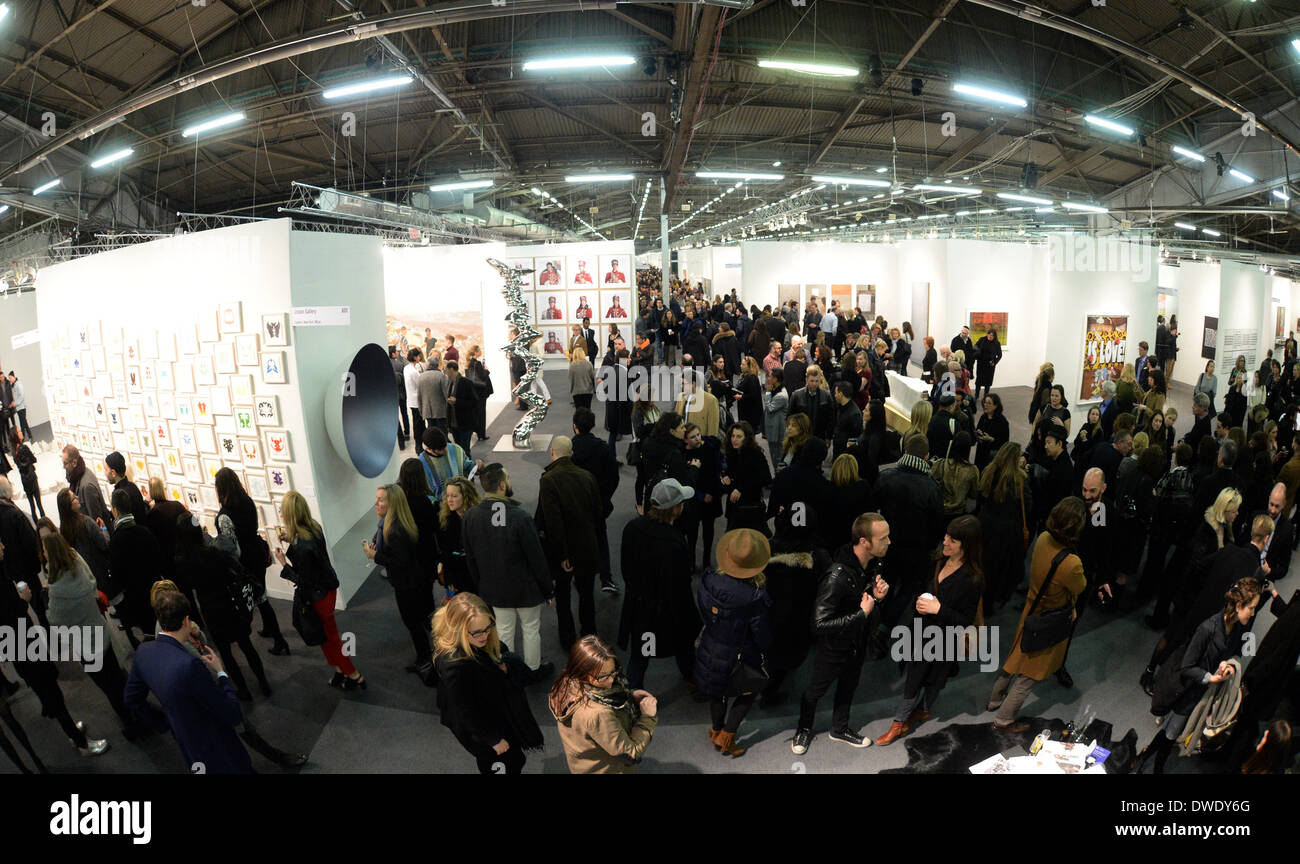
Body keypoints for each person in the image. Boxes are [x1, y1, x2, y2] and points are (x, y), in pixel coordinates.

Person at [1134, 578, 1260, 774]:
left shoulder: (1238, 627)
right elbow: (1186, 667)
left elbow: (1244, 651)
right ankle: (1155, 765)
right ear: (1238, 605)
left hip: (1201, 692)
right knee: (1172, 733)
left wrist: (1229, 665)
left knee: (1170, 731)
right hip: (1188, 691)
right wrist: (1211, 678)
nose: (1253, 613)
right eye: (1251, 608)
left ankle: (1146, 755)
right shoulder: (1207, 628)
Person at [877, 515, 983, 745]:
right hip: (921, 633)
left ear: (966, 545)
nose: (945, 541)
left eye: (952, 540)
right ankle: (900, 722)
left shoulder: (972, 579)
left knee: (935, 680)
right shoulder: (937, 560)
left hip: (945, 641)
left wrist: (938, 609)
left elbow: (965, 620)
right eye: (946, 535)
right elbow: (921, 587)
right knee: (913, 679)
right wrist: (920, 603)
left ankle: (922, 711)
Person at [790, 514, 891, 755]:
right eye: (884, 538)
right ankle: (803, 728)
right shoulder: (836, 576)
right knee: (815, 690)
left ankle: (840, 728)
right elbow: (819, 623)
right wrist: (861, 614)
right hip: (834, 646)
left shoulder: (872, 564)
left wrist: (876, 597)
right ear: (864, 541)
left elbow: (862, 599)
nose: (889, 542)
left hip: (857, 641)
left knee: (849, 686)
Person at [124, 589, 254, 773]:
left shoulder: (143, 651)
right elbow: (232, 714)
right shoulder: (190, 666)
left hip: (187, 742)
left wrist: (166, 721)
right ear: (186, 620)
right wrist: (221, 673)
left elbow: (131, 698)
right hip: (214, 743)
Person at [987, 497, 1088, 731]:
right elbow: (1080, 587)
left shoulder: (1043, 538)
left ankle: (994, 700)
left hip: (1030, 610)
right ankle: (1004, 719)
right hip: (1048, 621)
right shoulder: (1072, 563)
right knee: (1029, 674)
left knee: (1014, 659)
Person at [433, 593, 543, 774]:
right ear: (458, 628)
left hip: (494, 715)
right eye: (477, 632)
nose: (484, 636)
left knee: (515, 760)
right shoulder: (455, 664)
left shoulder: (471, 644)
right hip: (485, 731)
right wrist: (492, 739)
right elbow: (463, 709)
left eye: (488, 628)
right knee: (505, 764)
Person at [463, 464, 555, 681]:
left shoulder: (470, 517)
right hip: (526, 590)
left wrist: (481, 586)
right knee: (531, 630)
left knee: (503, 631)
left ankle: (507, 670)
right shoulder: (520, 517)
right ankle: (532, 671)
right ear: (502, 485)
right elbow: (536, 558)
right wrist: (547, 590)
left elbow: (471, 558)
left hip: (494, 589)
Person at [694, 529, 774, 758]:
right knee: (748, 691)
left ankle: (716, 730)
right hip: (740, 653)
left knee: (716, 693)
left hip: (711, 644)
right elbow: (760, 634)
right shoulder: (755, 597)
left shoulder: (709, 580)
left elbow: (703, 609)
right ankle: (728, 737)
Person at [274, 492, 362, 689]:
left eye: (283, 511)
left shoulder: (304, 546)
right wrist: (291, 540)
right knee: (325, 635)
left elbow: (304, 581)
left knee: (331, 638)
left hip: (319, 597)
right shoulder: (313, 528)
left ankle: (354, 674)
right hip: (325, 591)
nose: (281, 515)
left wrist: (283, 563)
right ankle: (340, 669)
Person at [619, 479, 700, 689]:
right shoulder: (675, 542)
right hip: (668, 611)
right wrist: (694, 619)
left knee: (640, 655)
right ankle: (692, 679)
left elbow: (625, 568)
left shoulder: (632, 527)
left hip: (640, 608)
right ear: (675, 509)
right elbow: (680, 589)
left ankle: (633, 695)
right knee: (684, 647)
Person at [549, 636, 657, 774]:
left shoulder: (567, 682)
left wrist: (629, 696)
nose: (612, 680)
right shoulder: (598, 714)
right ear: (584, 673)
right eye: (603, 676)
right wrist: (648, 718)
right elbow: (630, 754)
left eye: (614, 671)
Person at [536, 436, 605, 651]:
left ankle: (567, 639)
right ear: (571, 453)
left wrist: (562, 555)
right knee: (586, 595)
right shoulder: (587, 476)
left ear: (552, 453)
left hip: (564, 552)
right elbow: (598, 514)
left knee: (563, 596)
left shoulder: (548, 480)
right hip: (588, 547)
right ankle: (590, 636)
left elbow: (552, 521)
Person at [214, 468, 288, 655]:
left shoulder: (225, 514)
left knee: (261, 598)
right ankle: (271, 630)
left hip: (245, 560)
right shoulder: (247, 501)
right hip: (256, 552)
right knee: (260, 593)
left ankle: (279, 640)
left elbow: (233, 548)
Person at [364, 484, 436, 677]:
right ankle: (426, 657)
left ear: (392, 503)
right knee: (417, 622)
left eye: (380, 500)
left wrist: (375, 556)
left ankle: (425, 661)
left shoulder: (395, 529)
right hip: (411, 581)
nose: (375, 503)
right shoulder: (392, 522)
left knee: (413, 624)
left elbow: (399, 561)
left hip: (408, 584)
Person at [876, 435, 944, 628]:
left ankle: (880, 617)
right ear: (927, 456)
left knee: (886, 580)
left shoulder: (886, 476)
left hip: (887, 543)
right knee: (909, 586)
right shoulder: (932, 487)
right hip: (917, 549)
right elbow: (937, 523)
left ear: (905, 452)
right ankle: (887, 623)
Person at [106, 486, 164, 645]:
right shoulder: (145, 532)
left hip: (135, 596)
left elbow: (117, 574)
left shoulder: (116, 541)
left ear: (115, 510)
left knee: (149, 633)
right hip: (154, 590)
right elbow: (158, 559)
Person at [978, 442, 1033, 609]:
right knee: (997, 572)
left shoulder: (988, 472)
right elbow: (1028, 508)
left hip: (985, 526)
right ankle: (988, 603)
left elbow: (981, 498)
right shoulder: (1020, 481)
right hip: (1007, 534)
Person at [720, 422, 771, 533]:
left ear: (746, 438)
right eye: (733, 436)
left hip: (750, 505)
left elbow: (766, 478)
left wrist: (741, 489)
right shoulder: (731, 452)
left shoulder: (756, 454)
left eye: (739, 436)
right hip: (734, 505)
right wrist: (726, 476)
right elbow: (730, 472)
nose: (734, 439)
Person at [435, 476, 479, 595]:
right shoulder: (445, 520)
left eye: (454, 496)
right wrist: (449, 579)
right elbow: (445, 553)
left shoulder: (478, 518)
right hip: (458, 576)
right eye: (448, 496)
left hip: (478, 575)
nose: (449, 500)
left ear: (466, 496)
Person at [932, 431, 980, 519]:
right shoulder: (972, 470)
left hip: (939, 511)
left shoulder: (940, 464)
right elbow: (973, 494)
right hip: (958, 514)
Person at [61, 446, 107, 527]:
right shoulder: (78, 476)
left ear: (74, 462)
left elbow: (96, 521)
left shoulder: (86, 486)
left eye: (65, 463)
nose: (63, 467)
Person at [444, 361, 481, 458]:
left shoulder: (466, 383)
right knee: (458, 450)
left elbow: (474, 402)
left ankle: (468, 471)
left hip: (465, 423)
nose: (445, 372)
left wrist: (457, 401)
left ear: (452, 369)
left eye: (446, 370)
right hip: (454, 423)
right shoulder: (450, 383)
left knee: (465, 450)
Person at [763, 369, 789, 472]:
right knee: (774, 454)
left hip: (776, 430)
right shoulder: (777, 389)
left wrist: (768, 393)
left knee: (777, 456)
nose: (768, 378)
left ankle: (779, 476)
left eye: (770, 376)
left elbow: (769, 408)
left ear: (776, 379)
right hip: (772, 428)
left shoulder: (781, 395)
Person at [974, 393, 1009, 470]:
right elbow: (977, 429)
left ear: (996, 406)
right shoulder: (983, 417)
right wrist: (978, 433)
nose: (985, 405)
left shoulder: (1002, 422)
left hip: (992, 456)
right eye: (985, 402)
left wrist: (991, 439)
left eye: (989, 403)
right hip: (981, 453)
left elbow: (1005, 442)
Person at [972, 328, 1002, 399]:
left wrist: (994, 362)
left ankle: (986, 395)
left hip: (990, 365)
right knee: (979, 380)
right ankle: (976, 394)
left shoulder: (997, 343)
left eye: (992, 335)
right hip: (981, 364)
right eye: (989, 334)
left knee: (988, 382)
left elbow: (1000, 355)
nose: (990, 336)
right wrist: (977, 352)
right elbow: (975, 347)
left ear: (994, 336)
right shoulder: (982, 340)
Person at [569, 346, 595, 410]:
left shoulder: (572, 366)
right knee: (588, 409)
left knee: (578, 410)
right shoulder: (589, 364)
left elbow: (571, 379)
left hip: (577, 392)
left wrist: (572, 390)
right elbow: (592, 377)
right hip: (588, 391)